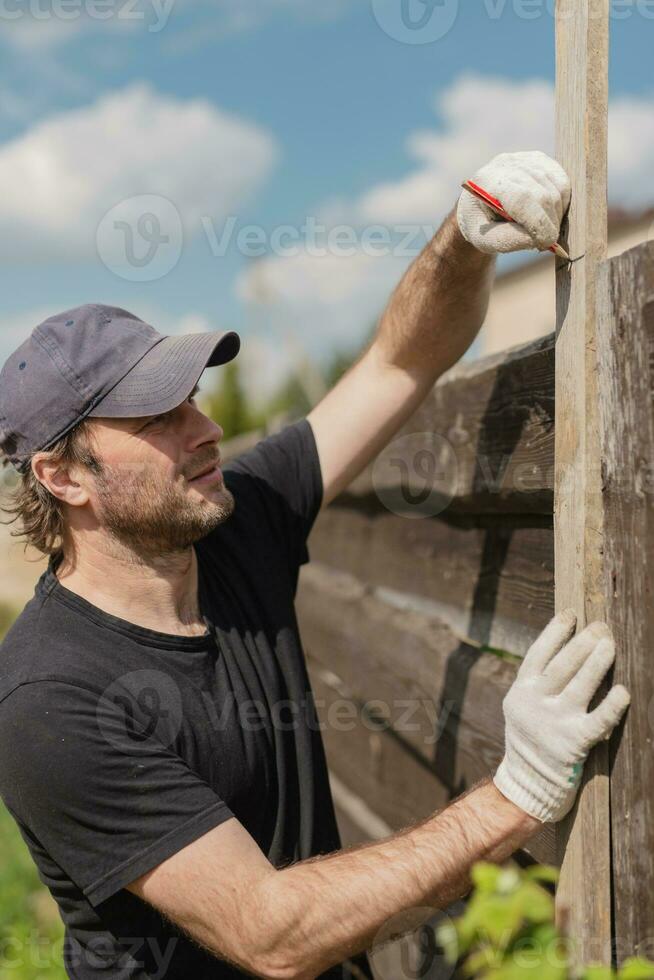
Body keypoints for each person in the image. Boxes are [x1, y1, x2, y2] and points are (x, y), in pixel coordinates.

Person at [0, 151, 630, 980]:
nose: (207, 427)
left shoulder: (231, 525)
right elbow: (271, 934)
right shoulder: (50, 702)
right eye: (157, 415)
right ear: (62, 476)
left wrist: (464, 238)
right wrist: (520, 790)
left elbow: (397, 365)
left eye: (192, 396)